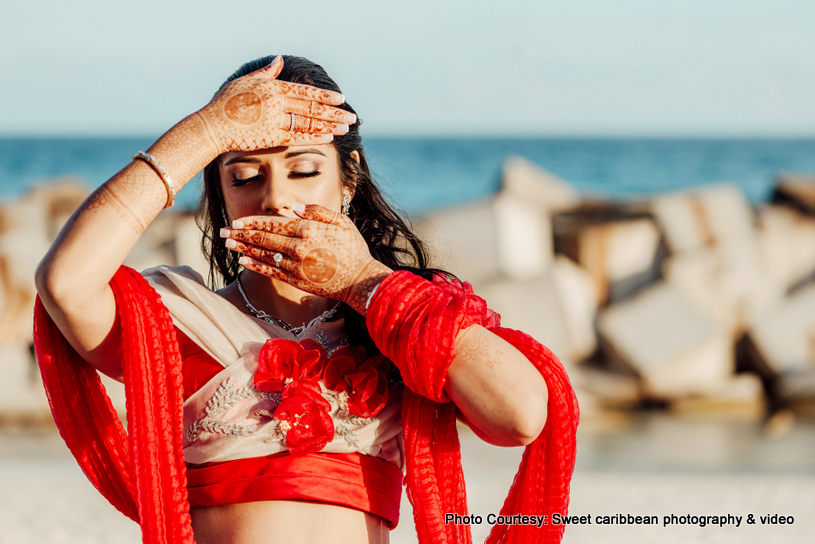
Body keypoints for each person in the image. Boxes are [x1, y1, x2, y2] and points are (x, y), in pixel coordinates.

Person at [33, 55, 578, 544]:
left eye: (304, 170)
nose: (276, 199)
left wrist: (361, 280)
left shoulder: (403, 322)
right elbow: (64, 283)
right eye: (243, 175)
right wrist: (205, 131)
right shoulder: (180, 320)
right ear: (220, 199)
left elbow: (522, 416)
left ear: (348, 180)